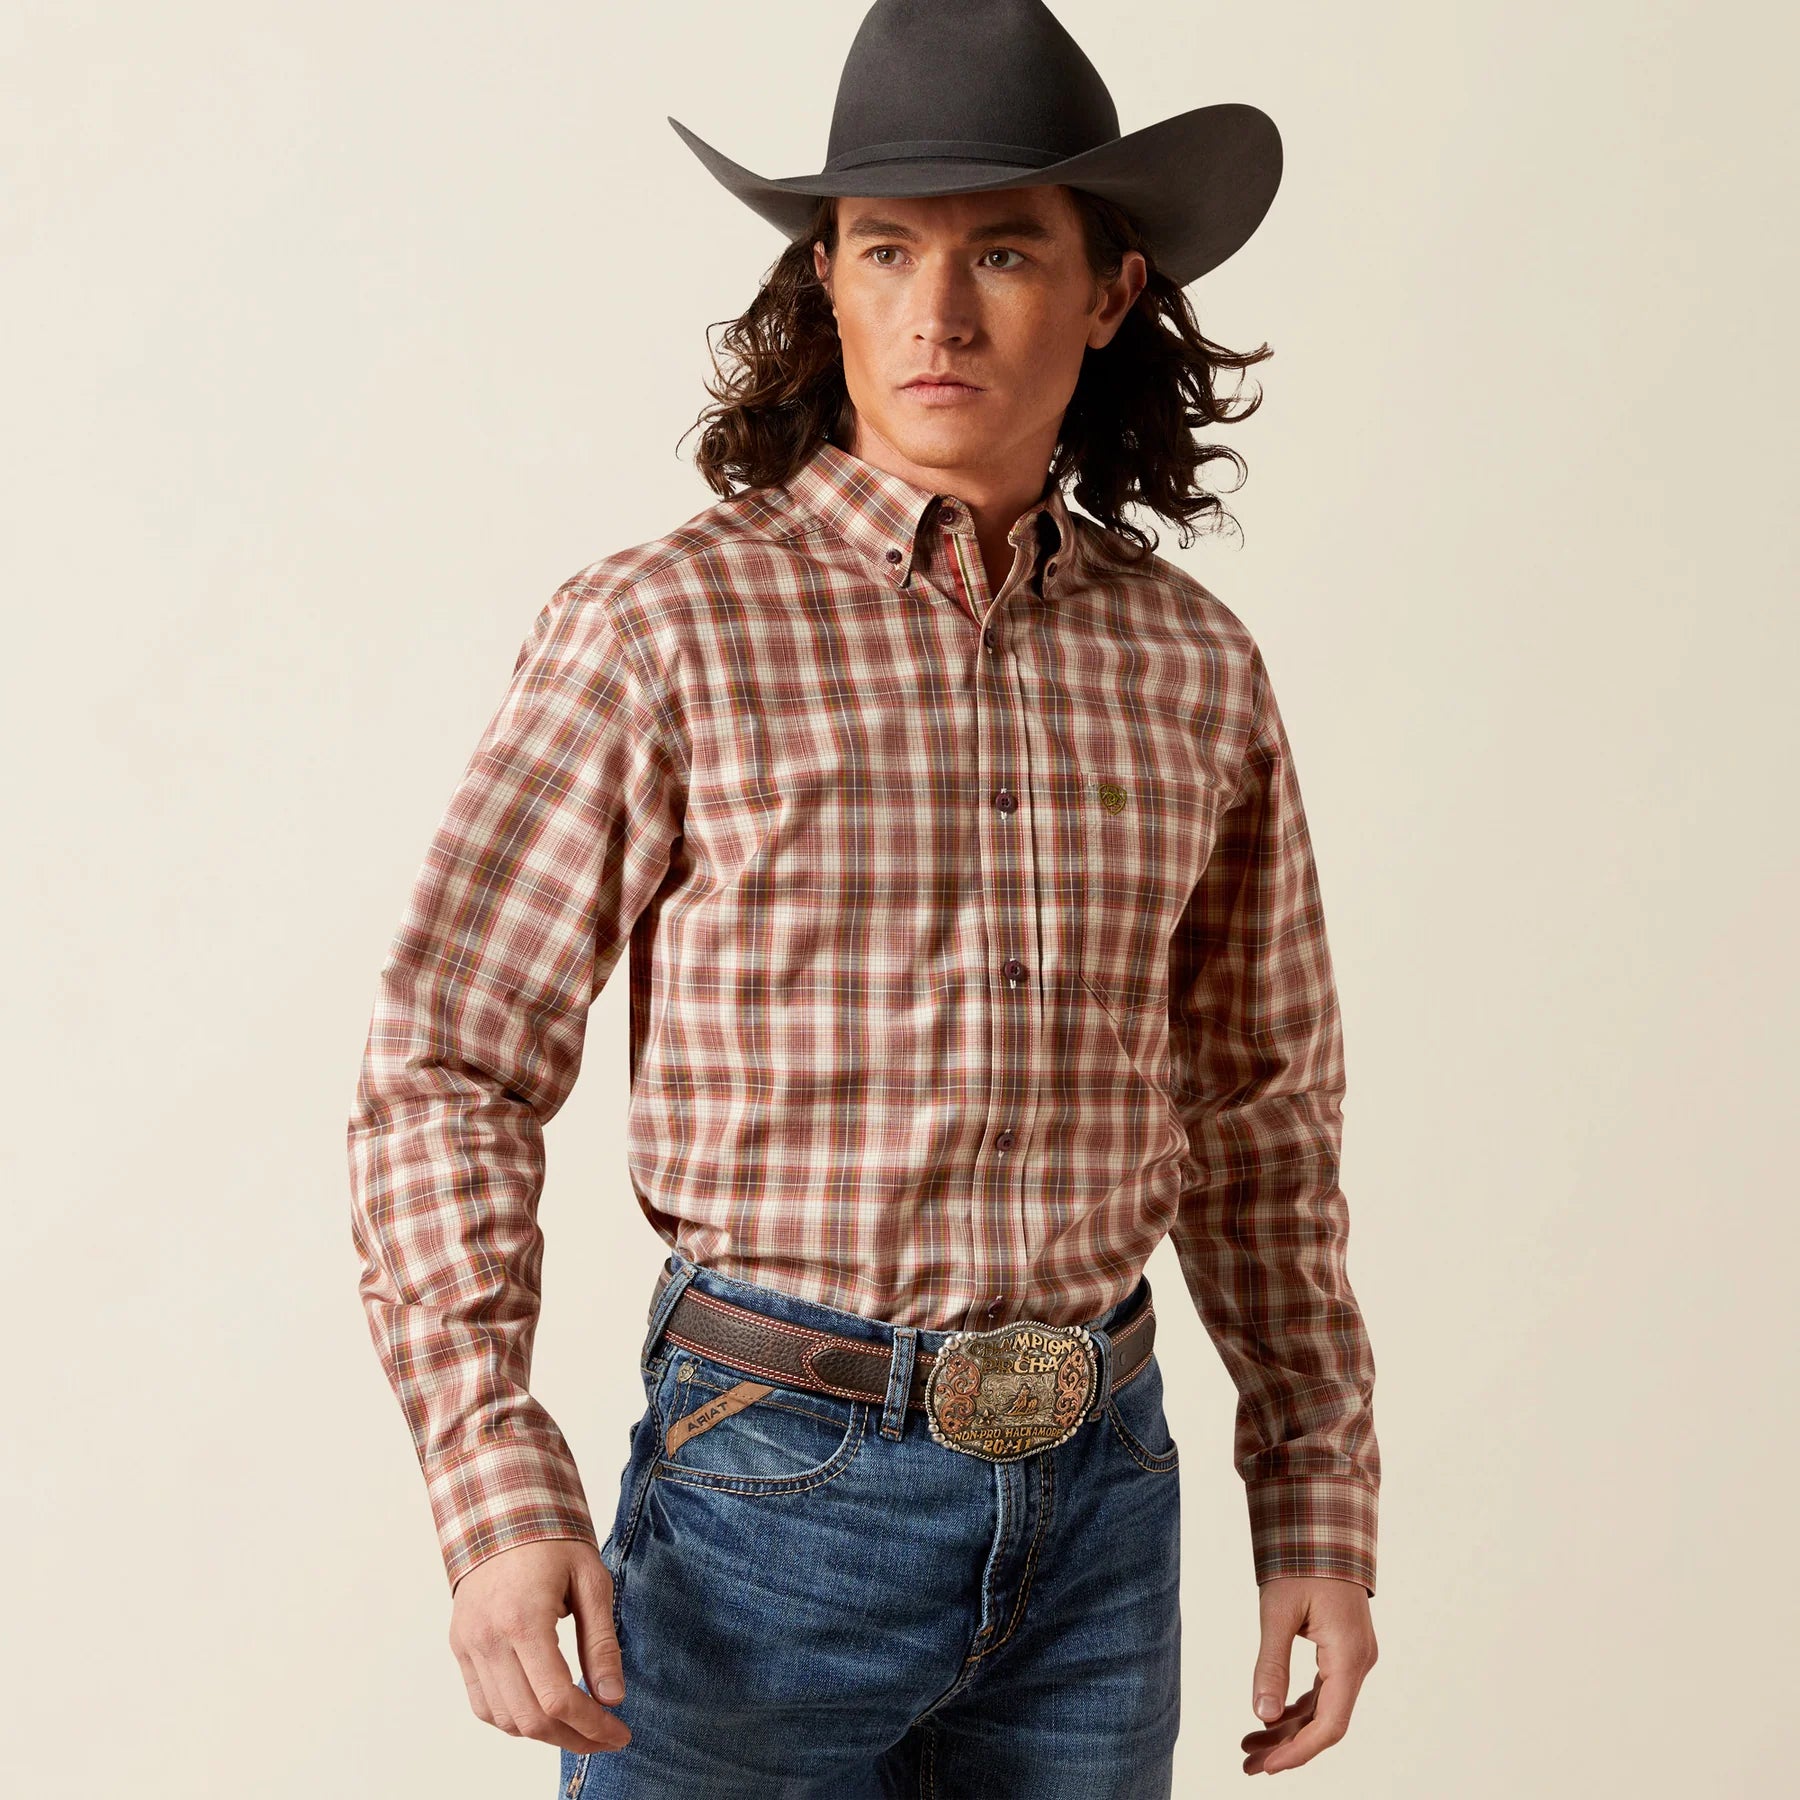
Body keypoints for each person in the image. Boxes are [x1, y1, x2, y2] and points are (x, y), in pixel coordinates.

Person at [347, 2, 1380, 1792]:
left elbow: (1262, 1112)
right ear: (822, 280)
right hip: (769, 1500)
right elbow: (448, 1061)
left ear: (1111, 290)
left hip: (1104, 1516)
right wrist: (492, 1482)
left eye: (1004, 251)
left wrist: (1314, 1497)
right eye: (886, 249)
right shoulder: (661, 630)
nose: (939, 311)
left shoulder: (1192, 666)